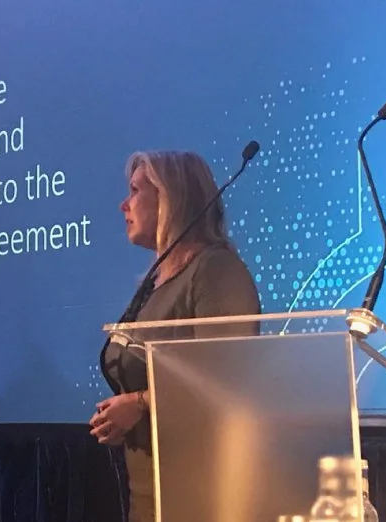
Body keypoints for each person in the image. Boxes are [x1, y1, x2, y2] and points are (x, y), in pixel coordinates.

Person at [89, 150, 261, 522]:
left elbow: (230, 376)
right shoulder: (155, 282)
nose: (123, 204)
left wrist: (139, 403)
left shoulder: (216, 269)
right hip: (151, 494)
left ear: (170, 198)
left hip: (203, 493)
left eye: (135, 191)